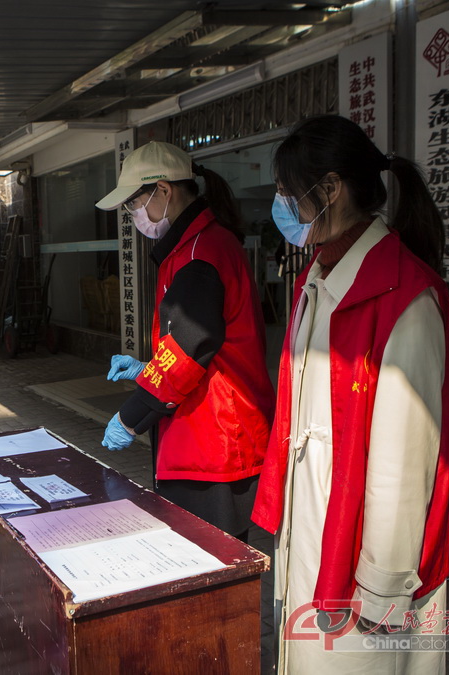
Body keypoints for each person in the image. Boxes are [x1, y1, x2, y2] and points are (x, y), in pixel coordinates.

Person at [251, 115, 449, 673]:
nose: (282, 205)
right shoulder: (315, 280)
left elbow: (403, 469)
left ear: (332, 189)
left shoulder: (405, 299)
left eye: (290, 194)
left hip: (365, 568)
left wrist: (381, 596)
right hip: (313, 530)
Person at [95, 141, 275, 541]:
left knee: (212, 565)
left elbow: (187, 351)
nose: (132, 214)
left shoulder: (200, 254)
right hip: (207, 434)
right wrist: (147, 368)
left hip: (213, 443)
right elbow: (199, 343)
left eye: (133, 203)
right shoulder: (192, 246)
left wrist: (130, 416)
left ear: (163, 190)